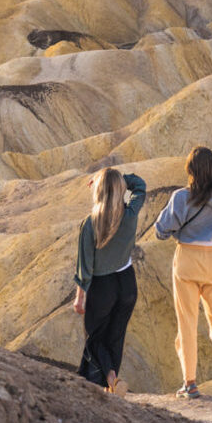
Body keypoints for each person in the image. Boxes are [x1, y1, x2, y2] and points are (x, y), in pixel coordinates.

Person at [155, 146, 212, 400]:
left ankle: (190, 384)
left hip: (186, 261)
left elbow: (160, 230)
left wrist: (177, 233)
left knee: (187, 323)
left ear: (190, 170)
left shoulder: (181, 198)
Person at [73, 168, 146, 396]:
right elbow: (141, 185)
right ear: (119, 190)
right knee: (115, 337)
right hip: (127, 283)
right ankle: (111, 386)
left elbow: (85, 267)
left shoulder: (90, 223)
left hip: (102, 287)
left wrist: (79, 297)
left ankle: (110, 378)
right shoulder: (130, 214)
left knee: (95, 339)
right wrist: (121, 179)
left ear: (98, 191)